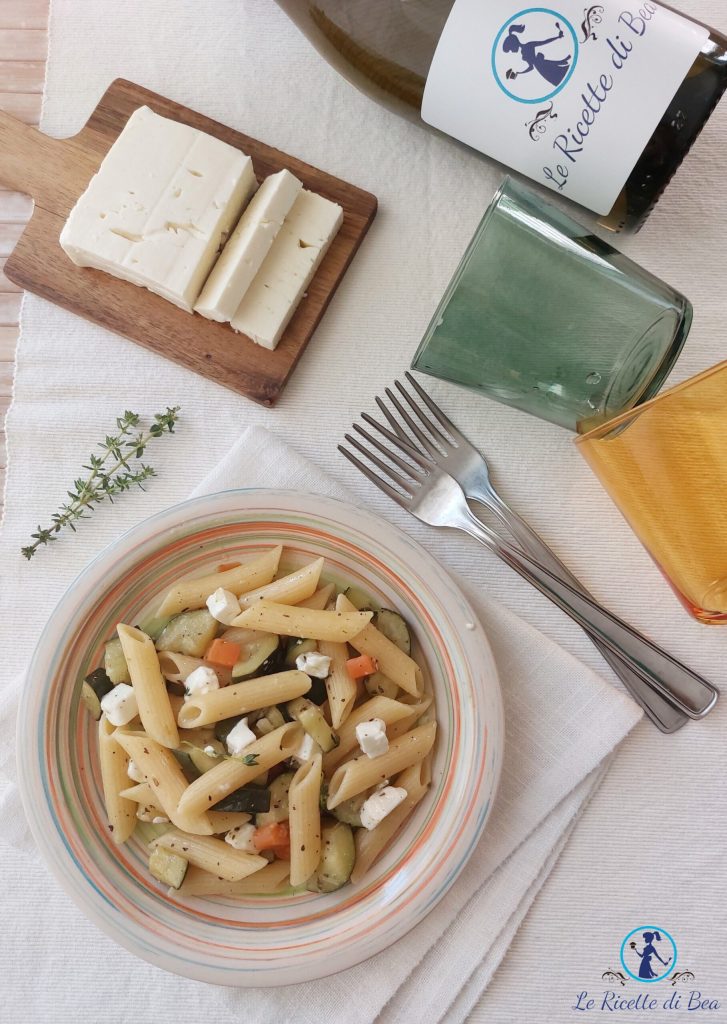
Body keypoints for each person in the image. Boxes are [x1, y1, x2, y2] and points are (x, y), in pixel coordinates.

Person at [503, 23, 572, 87]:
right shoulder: (524, 51)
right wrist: (519, 73)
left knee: (560, 76)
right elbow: (531, 67)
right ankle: (561, 61)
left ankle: (562, 61)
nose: (512, 51)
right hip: (543, 69)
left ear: (513, 44)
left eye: (511, 49)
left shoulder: (528, 46)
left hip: (543, 67)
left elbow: (544, 42)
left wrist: (557, 37)